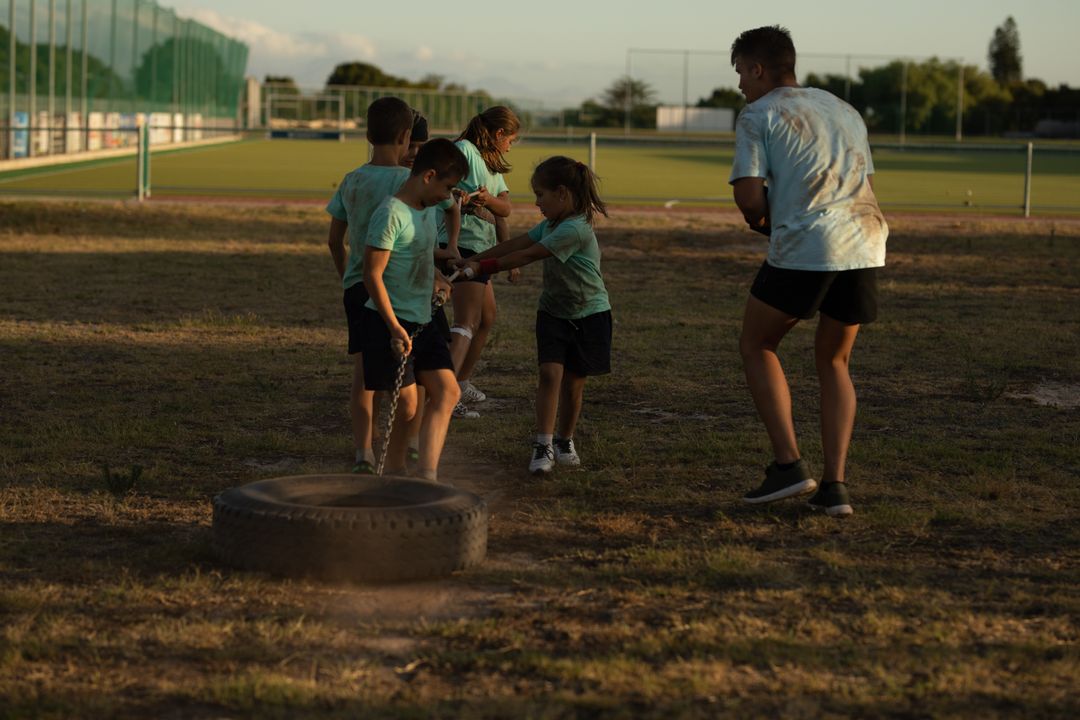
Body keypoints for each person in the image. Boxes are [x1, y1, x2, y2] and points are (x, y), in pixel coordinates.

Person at [728, 26, 888, 517]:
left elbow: (749, 198)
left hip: (810, 243)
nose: (739, 86)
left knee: (758, 344)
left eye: (740, 73)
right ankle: (835, 487)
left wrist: (766, 221)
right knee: (835, 362)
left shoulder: (758, 113)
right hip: (865, 240)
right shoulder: (843, 108)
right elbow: (863, 181)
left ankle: (789, 467)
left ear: (758, 69)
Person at [453, 156, 612, 475]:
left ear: (562, 194)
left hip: (590, 315)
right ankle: (543, 444)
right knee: (550, 375)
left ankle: (564, 440)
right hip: (553, 313)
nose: (537, 202)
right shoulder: (551, 224)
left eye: (541, 194)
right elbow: (515, 243)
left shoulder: (575, 228)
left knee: (573, 385)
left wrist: (478, 268)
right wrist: (466, 261)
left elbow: (527, 255)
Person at [362, 138, 469, 481]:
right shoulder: (390, 213)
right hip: (389, 323)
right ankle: (393, 470)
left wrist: (437, 278)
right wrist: (393, 327)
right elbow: (372, 275)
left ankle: (427, 477)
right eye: (447, 187)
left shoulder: (427, 210)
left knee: (447, 392)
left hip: (424, 318)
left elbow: (420, 256)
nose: (448, 196)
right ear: (429, 176)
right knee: (407, 405)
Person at [326, 96, 413, 474]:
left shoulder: (352, 180)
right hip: (399, 290)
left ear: (366, 134)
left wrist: (349, 276)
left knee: (363, 373)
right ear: (405, 136)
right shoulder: (409, 183)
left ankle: (364, 451)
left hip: (358, 287)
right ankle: (403, 448)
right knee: (404, 374)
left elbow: (334, 240)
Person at [446, 106, 521, 418]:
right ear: (499, 134)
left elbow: (504, 210)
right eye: (511, 140)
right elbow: (445, 191)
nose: (510, 146)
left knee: (487, 318)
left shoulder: (492, 163)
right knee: (466, 323)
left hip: (482, 249)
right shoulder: (464, 151)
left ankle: (461, 381)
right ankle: (445, 395)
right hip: (463, 247)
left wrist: (508, 258)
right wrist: (467, 201)